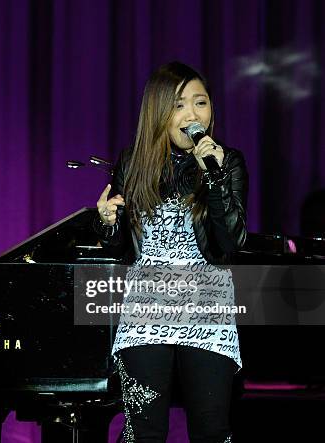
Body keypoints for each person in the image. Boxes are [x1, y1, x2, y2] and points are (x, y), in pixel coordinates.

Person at [94, 62, 248, 442]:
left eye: (201, 103)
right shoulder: (133, 162)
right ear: (159, 112)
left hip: (208, 304)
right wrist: (106, 223)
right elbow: (120, 250)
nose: (193, 115)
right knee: (143, 431)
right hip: (146, 304)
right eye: (179, 105)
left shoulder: (226, 162)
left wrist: (212, 177)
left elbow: (231, 243)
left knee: (212, 429)